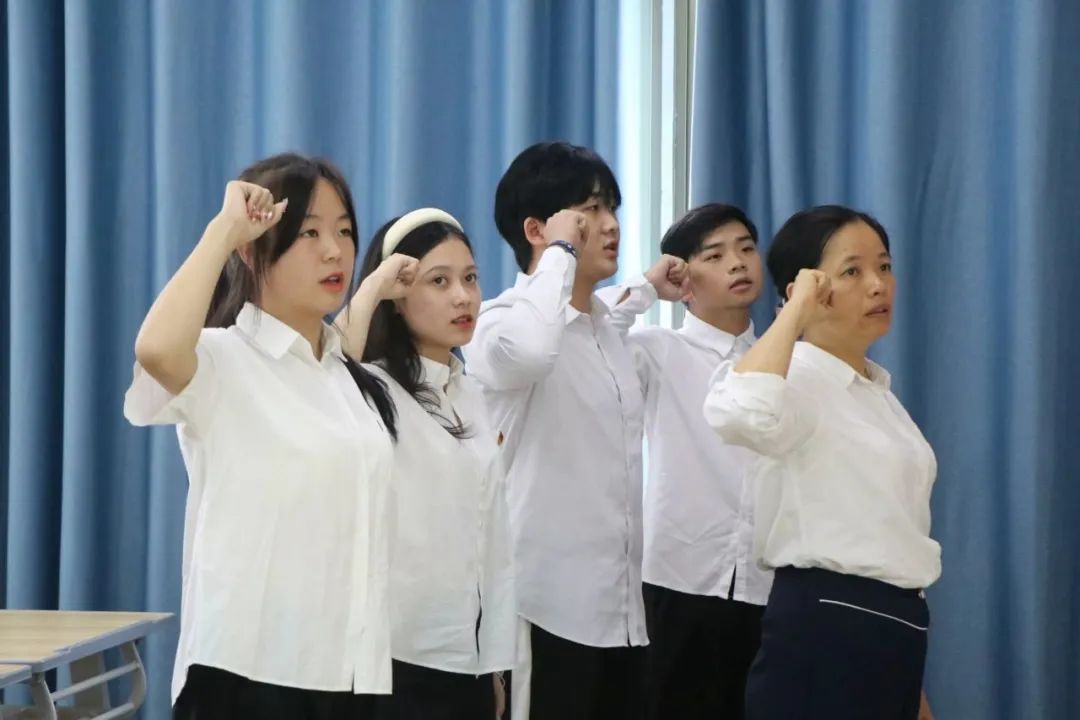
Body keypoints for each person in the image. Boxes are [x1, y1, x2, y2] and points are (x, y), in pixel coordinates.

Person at [124, 153, 411, 719]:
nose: (335, 251)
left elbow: (337, 342)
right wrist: (225, 230)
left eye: (344, 231)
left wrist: (376, 286)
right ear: (254, 250)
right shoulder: (223, 360)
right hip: (249, 675)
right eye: (309, 233)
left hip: (355, 673)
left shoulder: (343, 375)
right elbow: (155, 350)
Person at [462, 141, 687, 719]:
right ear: (535, 229)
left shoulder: (604, 330)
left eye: (612, 207)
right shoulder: (499, 323)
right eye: (589, 210)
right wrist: (559, 253)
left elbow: (605, 310)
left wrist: (648, 287)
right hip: (544, 612)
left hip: (624, 614)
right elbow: (536, 350)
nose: (610, 224)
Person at [703, 205, 939, 720]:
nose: (877, 285)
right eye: (852, 271)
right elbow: (737, 413)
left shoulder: (878, 394)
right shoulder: (793, 377)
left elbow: (895, 542)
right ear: (804, 290)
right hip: (827, 623)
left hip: (896, 626)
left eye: (884, 266)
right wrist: (796, 313)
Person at [341, 208, 516, 720]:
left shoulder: (473, 394)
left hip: (466, 659)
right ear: (397, 298)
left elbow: (493, 541)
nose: (463, 297)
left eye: (471, 279)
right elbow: (327, 373)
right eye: (439, 281)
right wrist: (373, 288)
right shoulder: (372, 388)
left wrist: (494, 666)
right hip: (394, 660)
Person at [605, 203, 770, 719]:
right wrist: (648, 288)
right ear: (684, 277)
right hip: (679, 579)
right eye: (714, 256)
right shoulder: (656, 351)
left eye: (746, 248)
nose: (738, 263)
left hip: (766, 583)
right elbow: (587, 341)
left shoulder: (781, 358)